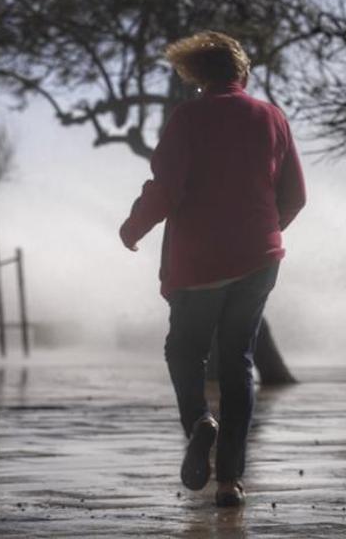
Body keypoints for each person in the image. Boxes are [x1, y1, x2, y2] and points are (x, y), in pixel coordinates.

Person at [118, 31, 306, 507]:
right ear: (242, 72)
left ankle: (200, 422)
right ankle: (230, 482)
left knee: (185, 351)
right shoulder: (272, 117)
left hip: (199, 261)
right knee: (238, 362)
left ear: (197, 76)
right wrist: (261, 232)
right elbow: (295, 195)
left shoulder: (188, 118)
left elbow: (165, 189)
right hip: (259, 259)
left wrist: (133, 228)